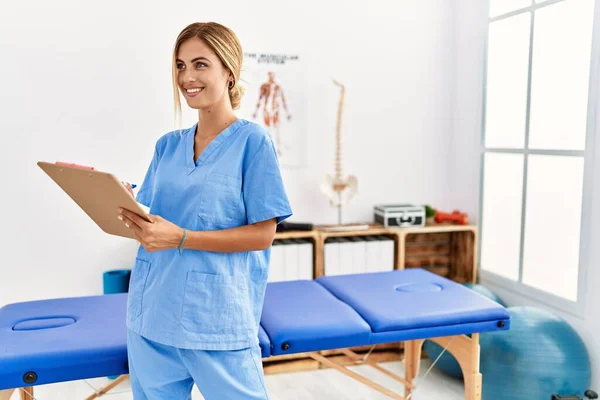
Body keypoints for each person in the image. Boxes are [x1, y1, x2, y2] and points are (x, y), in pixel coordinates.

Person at [117, 21, 292, 400]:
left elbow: (263, 234)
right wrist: (124, 205)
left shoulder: (252, 142)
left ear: (228, 72)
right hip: (151, 314)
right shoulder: (167, 145)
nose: (187, 77)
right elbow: (154, 217)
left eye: (200, 64)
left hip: (215, 320)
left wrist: (181, 238)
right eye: (180, 66)